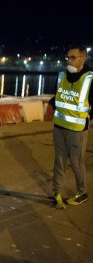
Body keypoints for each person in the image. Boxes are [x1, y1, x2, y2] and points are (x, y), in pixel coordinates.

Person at [51, 45, 92, 209]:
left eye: (73, 57)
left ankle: (83, 192)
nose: (69, 60)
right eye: (68, 57)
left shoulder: (90, 78)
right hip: (59, 126)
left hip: (78, 130)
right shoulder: (61, 76)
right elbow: (55, 98)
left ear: (83, 58)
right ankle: (57, 193)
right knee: (59, 161)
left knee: (76, 162)